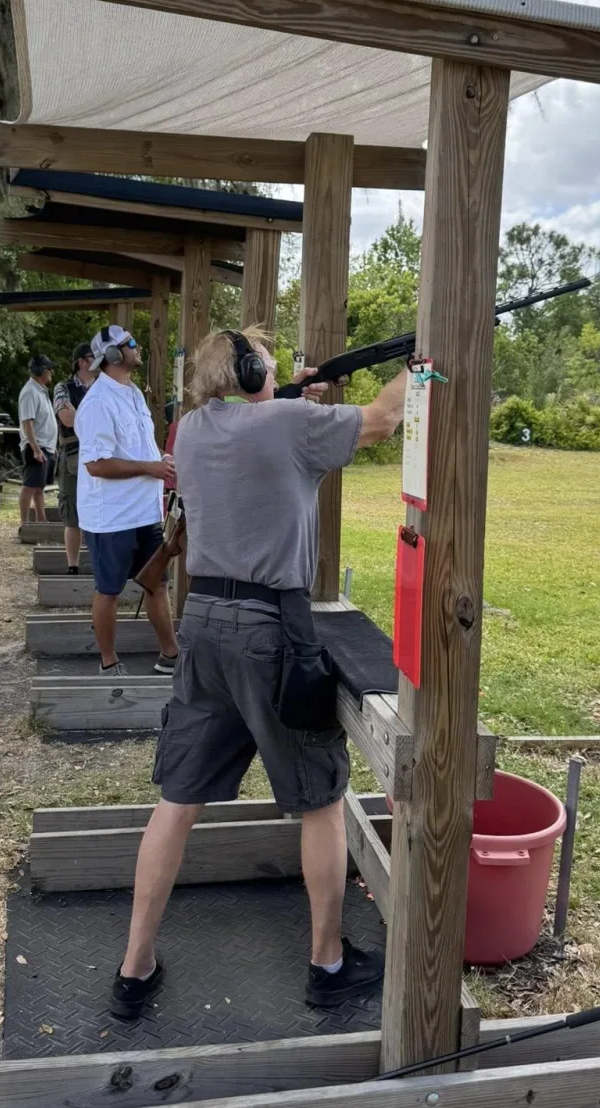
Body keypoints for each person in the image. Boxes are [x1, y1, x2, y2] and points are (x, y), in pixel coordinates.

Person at [110, 326, 408, 1021]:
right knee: (321, 797)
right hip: (271, 628)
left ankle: (134, 966)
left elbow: (259, 435)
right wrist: (421, 365)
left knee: (178, 798)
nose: (276, 375)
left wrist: (295, 397)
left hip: (203, 622)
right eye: (268, 367)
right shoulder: (289, 422)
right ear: (248, 374)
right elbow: (384, 419)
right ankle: (327, 963)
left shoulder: (190, 430)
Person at [75, 324, 179, 677]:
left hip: (144, 513)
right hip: (112, 518)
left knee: (157, 583)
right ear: (113, 354)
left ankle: (170, 656)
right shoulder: (97, 403)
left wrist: (160, 460)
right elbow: (97, 464)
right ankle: (108, 661)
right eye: (130, 343)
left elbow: (136, 448)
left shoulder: (132, 393)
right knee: (109, 591)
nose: (138, 347)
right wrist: (149, 467)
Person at [52, 342, 96, 573]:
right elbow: (66, 417)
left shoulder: (104, 386)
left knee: (100, 513)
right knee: (72, 516)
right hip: (73, 459)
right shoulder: (63, 387)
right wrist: (97, 423)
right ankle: (73, 567)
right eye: (92, 356)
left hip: (100, 457)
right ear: (81, 361)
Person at [17, 353, 58, 525]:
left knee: (39, 487)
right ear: (40, 370)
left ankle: (42, 521)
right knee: (29, 486)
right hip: (36, 447)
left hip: (45, 447)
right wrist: (35, 449)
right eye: (49, 368)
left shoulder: (40, 391)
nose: (51, 372)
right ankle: (24, 524)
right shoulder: (30, 392)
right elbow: (28, 423)